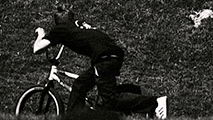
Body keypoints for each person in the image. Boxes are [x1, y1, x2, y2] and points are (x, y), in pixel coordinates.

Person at [33, 8, 168, 118]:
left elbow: (37, 49)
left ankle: (154, 102)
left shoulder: (61, 29)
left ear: (58, 22)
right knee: (80, 85)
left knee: (110, 99)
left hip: (103, 58)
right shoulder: (80, 27)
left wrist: (41, 33)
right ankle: (133, 91)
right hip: (112, 54)